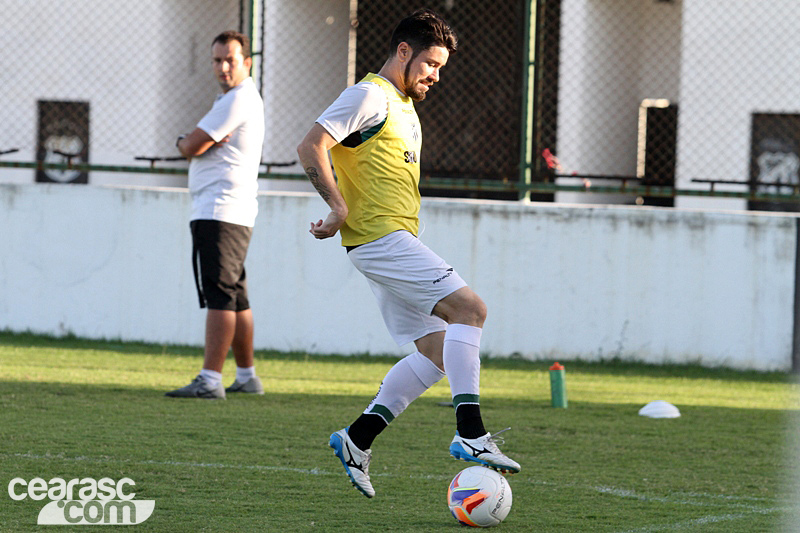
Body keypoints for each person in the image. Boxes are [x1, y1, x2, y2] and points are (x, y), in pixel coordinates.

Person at [296, 9, 520, 498]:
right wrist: (336, 206)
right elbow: (311, 145)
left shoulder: (400, 104)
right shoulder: (369, 95)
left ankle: (357, 439)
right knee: (471, 310)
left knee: (439, 353)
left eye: (440, 68)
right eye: (431, 65)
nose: (435, 76)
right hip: (381, 240)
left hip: (390, 242)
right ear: (403, 52)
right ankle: (471, 433)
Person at [166, 31, 265, 399]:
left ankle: (210, 380)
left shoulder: (237, 99)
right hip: (232, 210)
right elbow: (198, 144)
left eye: (231, 60)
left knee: (220, 294)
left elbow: (191, 145)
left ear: (247, 62)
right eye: (217, 60)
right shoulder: (235, 98)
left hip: (220, 210)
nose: (223, 67)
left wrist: (183, 142)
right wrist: (194, 143)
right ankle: (246, 376)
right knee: (236, 295)